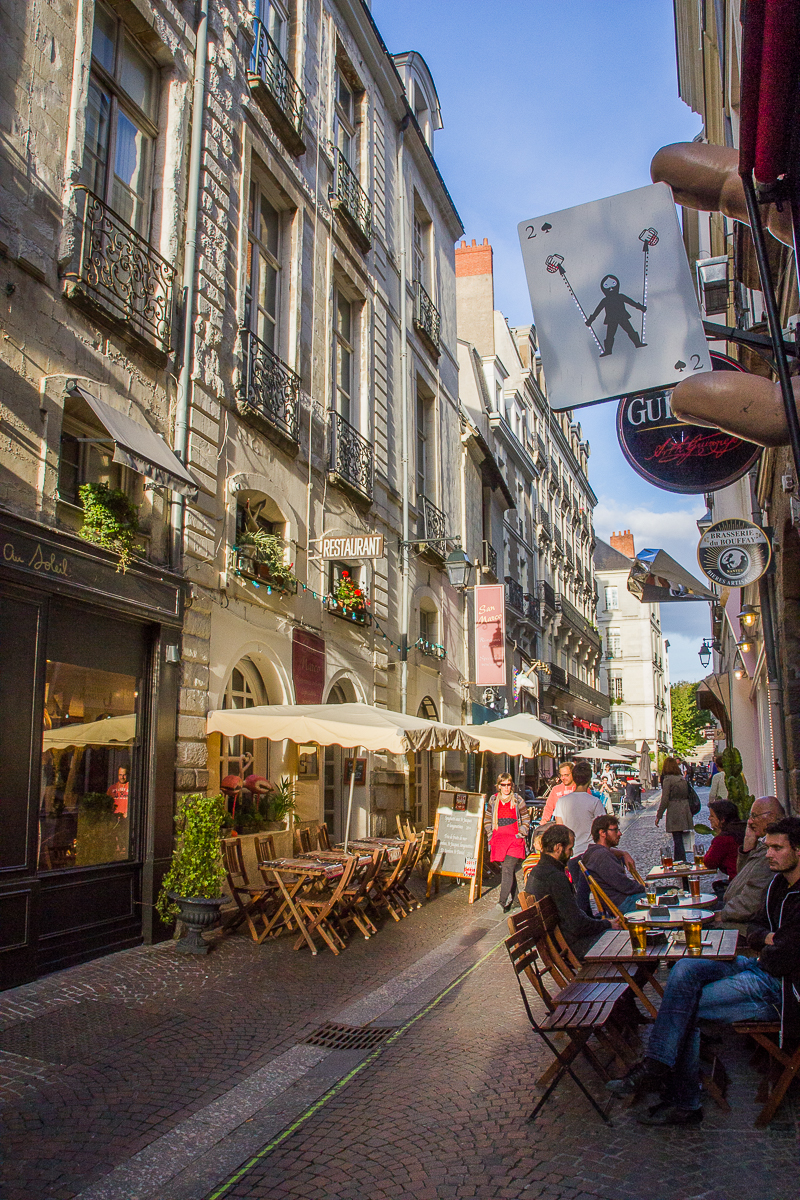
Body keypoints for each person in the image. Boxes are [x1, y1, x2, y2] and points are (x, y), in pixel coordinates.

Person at [607, 817, 800, 1126]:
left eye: (777, 848)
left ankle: (680, 1097)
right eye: (768, 846)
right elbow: (756, 928)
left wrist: (768, 941)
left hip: (780, 989)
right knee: (685, 967)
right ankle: (658, 1069)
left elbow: (784, 956)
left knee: (684, 1009)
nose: (768, 854)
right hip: (759, 965)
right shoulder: (778, 884)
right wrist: (767, 939)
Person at [524, 824, 618, 958]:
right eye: (569, 849)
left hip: (561, 946)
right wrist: (606, 924)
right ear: (558, 847)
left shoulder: (537, 871)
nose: (572, 853)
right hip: (573, 948)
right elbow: (577, 925)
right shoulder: (555, 877)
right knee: (631, 943)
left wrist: (601, 922)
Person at [714, 796, 785, 930]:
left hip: (745, 927)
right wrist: (747, 845)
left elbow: (752, 902)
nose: (750, 821)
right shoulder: (764, 845)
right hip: (736, 914)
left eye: (754, 816)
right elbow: (742, 876)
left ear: (771, 817)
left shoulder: (773, 852)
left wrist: (721, 915)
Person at [552, 760, 607, 914]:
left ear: (574, 779)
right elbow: (602, 829)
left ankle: (588, 919)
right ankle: (596, 920)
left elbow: (560, 829)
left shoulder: (562, 802)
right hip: (591, 853)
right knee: (595, 890)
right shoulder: (594, 802)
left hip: (572, 854)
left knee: (581, 890)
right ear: (589, 779)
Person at [483, 773, 530, 912]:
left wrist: (520, 833)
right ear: (498, 786)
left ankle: (502, 902)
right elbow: (488, 819)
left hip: (515, 840)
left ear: (512, 785)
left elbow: (526, 818)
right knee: (507, 870)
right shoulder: (493, 800)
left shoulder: (517, 800)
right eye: (503, 785)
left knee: (508, 868)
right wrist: (490, 835)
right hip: (499, 841)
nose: (506, 788)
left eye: (508, 785)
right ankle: (516, 901)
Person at [581, 815, 645, 914]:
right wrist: (645, 888)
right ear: (602, 833)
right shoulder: (602, 856)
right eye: (615, 830)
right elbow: (624, 885)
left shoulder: (594, 852)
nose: (620, 833)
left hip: (620, 902)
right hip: (623, 903)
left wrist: (623, 853)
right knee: (663, 898)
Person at [655, 756, 693, 862]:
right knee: (679, 838)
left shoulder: (668, 780)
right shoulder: (681, 778)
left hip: (674, 810)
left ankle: (679, 861)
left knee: (677, 839)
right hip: (684, 809)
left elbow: (665, 799)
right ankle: (680, 860)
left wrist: (659, 815)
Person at [703, 799, 746, 880]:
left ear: (722, 819)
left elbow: (709, 862)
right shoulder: (742, 831)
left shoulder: (723, 839)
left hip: (736, 881)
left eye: (712, 816)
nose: (709, 818)